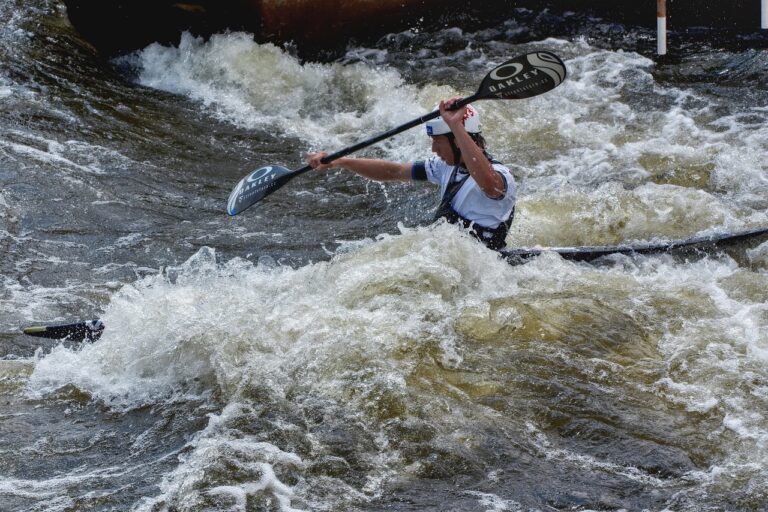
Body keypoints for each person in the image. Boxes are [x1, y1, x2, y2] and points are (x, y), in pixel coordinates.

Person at [307, 97, 516, 250]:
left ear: (459, 139)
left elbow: (489, 184)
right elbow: (394, 171)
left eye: (438, 142)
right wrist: (343, 162)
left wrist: (455, 126)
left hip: (486, 270)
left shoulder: (501, 176)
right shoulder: (445, 167)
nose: (434, 150)